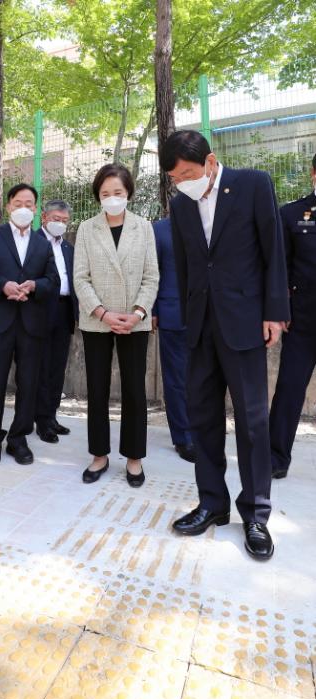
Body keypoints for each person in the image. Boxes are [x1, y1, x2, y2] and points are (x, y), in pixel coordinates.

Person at [160, 129, 289, 561]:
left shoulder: (253, 184)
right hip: (199, 326)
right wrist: (182, 317)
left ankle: (255, 514)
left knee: (253, 422)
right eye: (175, 178)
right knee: (203, 418)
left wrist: (275, 312)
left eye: (189, 174)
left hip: (245, 323)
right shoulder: (180, 205)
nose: (183, 183)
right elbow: (185, 266)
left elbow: (274, 252)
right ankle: (212, 503)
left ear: (211, 162)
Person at [74, 163, 159, 487]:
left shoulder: (144, 227)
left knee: (135, 391)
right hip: (97, 320)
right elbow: (80, 277)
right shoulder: (86, 228)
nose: (112, 198)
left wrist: (137, 313)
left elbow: (152, 276)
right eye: (106, 193)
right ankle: (99, 455)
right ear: (98, 195)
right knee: (97, 390)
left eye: (118, 193)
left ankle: (134, 457)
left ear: (128, 194)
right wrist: (103, 313)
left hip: (134, 322)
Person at [0, 183, 60, 466]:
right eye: (18, 203)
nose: (23, 208)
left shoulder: (43, 243)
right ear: (9, 205)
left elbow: (54, 281)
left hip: (31, 323)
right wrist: (4, 286)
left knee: (29, 382)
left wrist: (34, 286)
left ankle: (18, 438)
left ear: (36, 210)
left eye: (29, 204)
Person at [269, 155, 316, 479]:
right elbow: (279, 269)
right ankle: (275, 457)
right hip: (303, 321)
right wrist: (280, 310)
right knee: (289, 388)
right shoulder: (292, 214)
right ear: (313, 174)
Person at [34, 199, 78, 443]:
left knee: (57, 368)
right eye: (55, 219)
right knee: (41, 367)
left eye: (64, 221)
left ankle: (51, 416)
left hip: (64, 311)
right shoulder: (33, 242)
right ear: (44, 217)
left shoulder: (68, 248)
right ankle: (41, 421)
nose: (60, 224)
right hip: (40, 310)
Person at [152, 217, 195, 462]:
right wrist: (154, 310)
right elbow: (152, 272)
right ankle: (183, 437)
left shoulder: (213, 222)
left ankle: (203, 430)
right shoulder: (159, 230)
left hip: (210, 315)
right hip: (173, 314)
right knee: (176, 379)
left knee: (204, 379)